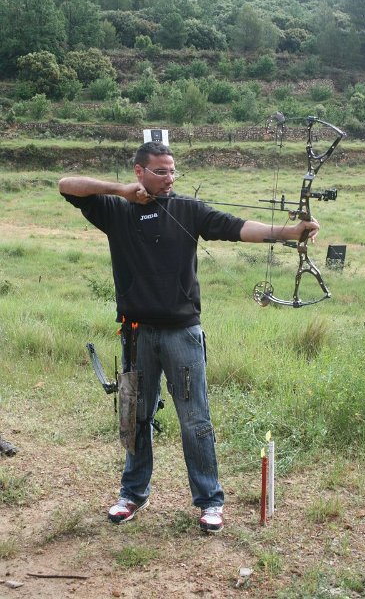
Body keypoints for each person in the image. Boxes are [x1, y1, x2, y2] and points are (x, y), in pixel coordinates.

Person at [59, 141, 319, 534]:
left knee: (195, 419)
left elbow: (236, 227)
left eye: (172, 170)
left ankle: (210, 501)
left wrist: (290, 231)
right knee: (135, 414)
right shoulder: (115, 209)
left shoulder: (187, 209)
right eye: (160, 171)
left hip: (182, 332)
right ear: (139, 171)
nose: (169, 178)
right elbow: (66, 184)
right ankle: (132, 494)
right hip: (136, 333)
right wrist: (121, 191)